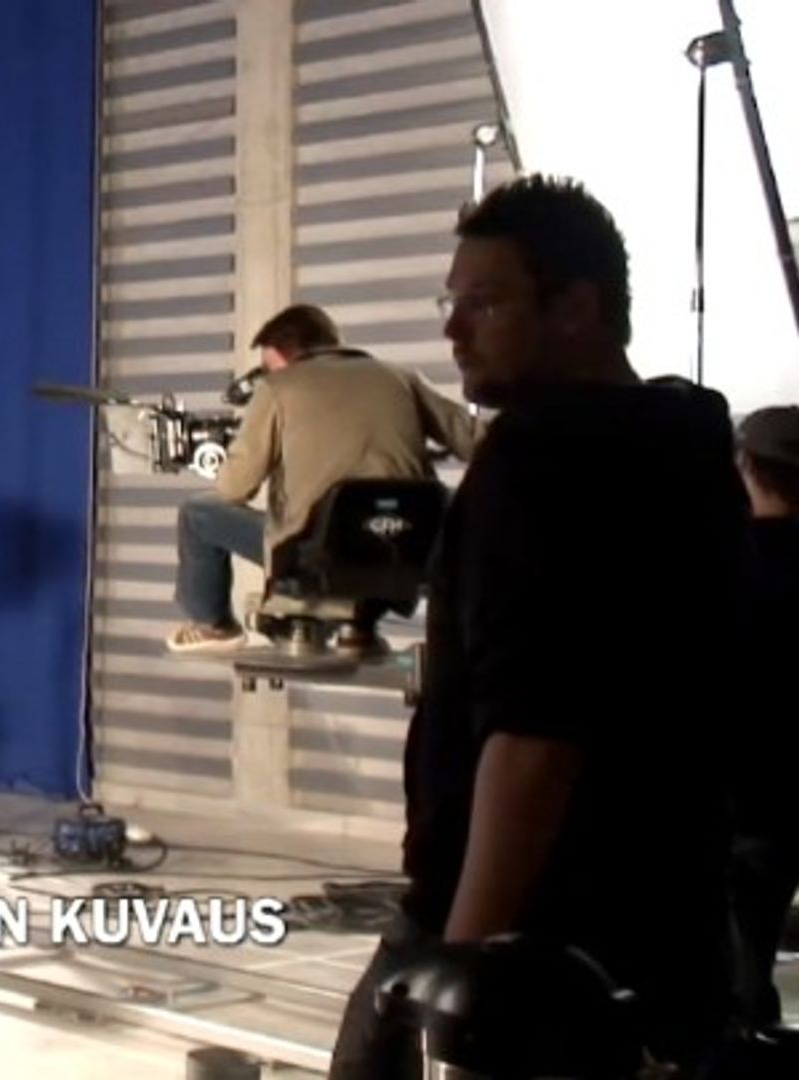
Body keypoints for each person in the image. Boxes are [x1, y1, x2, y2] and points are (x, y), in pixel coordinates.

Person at [328, 175, 751, 1078]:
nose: (453, 329)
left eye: (483, 303)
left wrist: (462, 974)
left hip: (530, 942)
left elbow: (534, 738)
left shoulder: (536, 460)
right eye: (449, 303)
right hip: (672, 927)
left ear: (576, 308)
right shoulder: (691, 441)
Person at [168, 303, 481, 653]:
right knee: (386, 519)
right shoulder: (400, 377)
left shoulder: (278, 388)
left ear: (287, 357)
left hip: (319, 559)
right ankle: (359, 628)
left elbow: (233, 488)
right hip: (411, 553)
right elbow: (479, 443)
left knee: (198, 513)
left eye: (269, 367)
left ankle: (214, 626)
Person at [724, 405, 799, 1034]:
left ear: (745, 464)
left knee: (736, 970)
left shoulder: (723, 564)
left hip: (741, 796)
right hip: (787, 797)